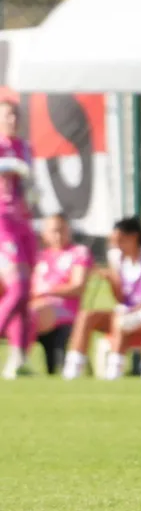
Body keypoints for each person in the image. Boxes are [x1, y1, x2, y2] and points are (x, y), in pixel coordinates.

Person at [62, 217, 141, 380]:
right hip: (126, 313)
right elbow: (120, 298)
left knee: (120, 317)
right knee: (86, 317)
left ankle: (117, 369)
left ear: (134, 237)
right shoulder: (117, 258)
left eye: (121, 240)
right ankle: (73, 368)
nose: (117, 245)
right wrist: (110, 279)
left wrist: (132, 309)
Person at [0, 100, 38, 379]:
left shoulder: (25, 147)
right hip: (2, 222)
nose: (12, 119)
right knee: (17, 286)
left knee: (26, 294)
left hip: (23, 223)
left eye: (15, 114)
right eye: (7, 115)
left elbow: (30, 186)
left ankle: (18, 358)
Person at [30, 213, 94, 375]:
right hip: (37, 308)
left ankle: (19, 361)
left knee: (32, 313)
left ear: (69, 231)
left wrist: (47, 289)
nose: (58, 235)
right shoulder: (38, 257)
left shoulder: (79, 253)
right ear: (44, 234)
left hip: (65, 312)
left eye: (62, 230)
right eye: (53, 231)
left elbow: (78, 286)